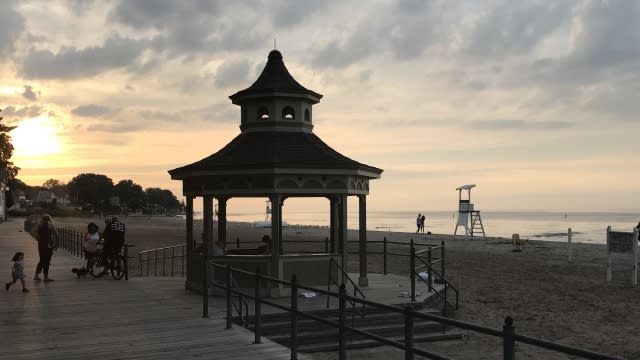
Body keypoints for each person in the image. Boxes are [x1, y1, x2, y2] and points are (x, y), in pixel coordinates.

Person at [34, 214, 58, 282]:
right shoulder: (51, 225)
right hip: (49, 244)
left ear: (42, 219)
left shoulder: (39, 225)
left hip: (41, 244)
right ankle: (45, 277)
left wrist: (38, 238)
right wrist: (56, 244)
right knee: (47, 261)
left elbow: (34, 232)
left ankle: (36, 275)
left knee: (42, 260)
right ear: (49, 219)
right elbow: (56, 235)